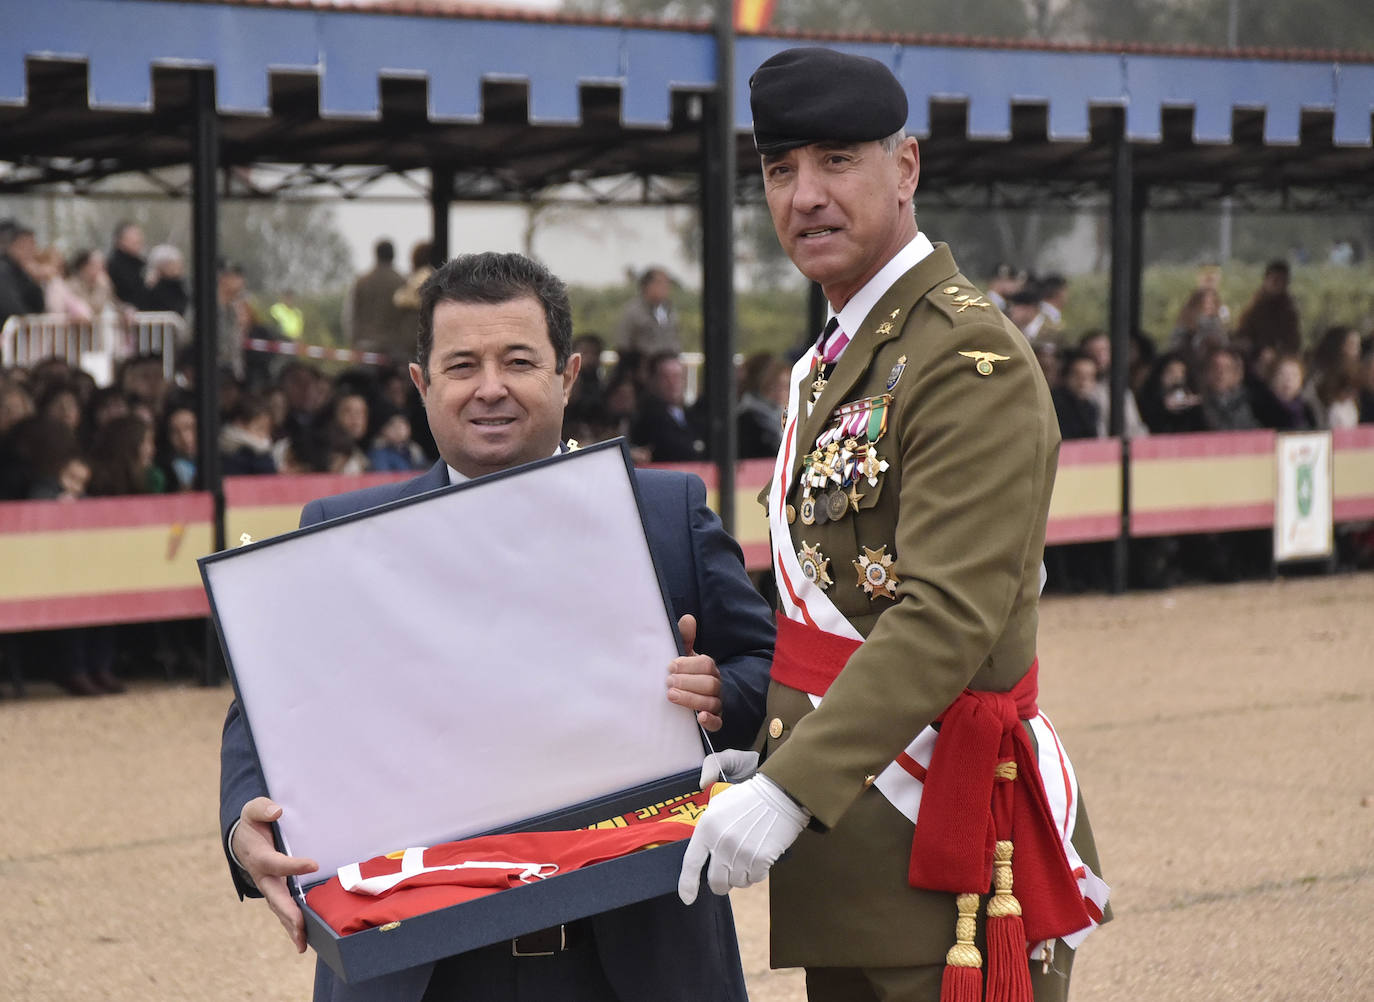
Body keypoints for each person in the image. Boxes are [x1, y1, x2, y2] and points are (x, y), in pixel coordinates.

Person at [219, 251, 773, 1002]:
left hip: (636, 951)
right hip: (417, 963)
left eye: (518, 361)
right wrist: (240, 825)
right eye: (461, 365)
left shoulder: (665, 513)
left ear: (567, 375)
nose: (490, 388)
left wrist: (720, 693)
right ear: (421, 384)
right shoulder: (342, 538)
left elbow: (768, 665)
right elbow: (267, 710)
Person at [678, 47, 1109, 1002]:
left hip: (943, 845)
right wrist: (782, 744)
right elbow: (837, 609)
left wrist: (792, 783)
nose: (805, 196)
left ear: (904, 167)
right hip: (856, 833)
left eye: (837, 160)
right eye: (781, 170)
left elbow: (948, 616)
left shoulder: (965, 358)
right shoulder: (844, 354)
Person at [343, 238, 407, 357]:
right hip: (393, 348)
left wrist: (353, 341)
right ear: (393, 256)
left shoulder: (361, 282)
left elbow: (350, 315)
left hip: (365, 345)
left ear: (376, 255)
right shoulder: (401, 282)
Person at [614, 266, 680, 356]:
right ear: (647, 286)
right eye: (660, 283)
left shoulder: (669, 310)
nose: (666, 287)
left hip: (667, 365)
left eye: (667, 283)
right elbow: (623, 344)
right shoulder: (633, 311)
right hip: (641, 366)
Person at [107, 221, 149, 310]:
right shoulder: (113, 265)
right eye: (134, 235)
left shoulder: (143, 264)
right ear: (120, 240)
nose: (139, 239)